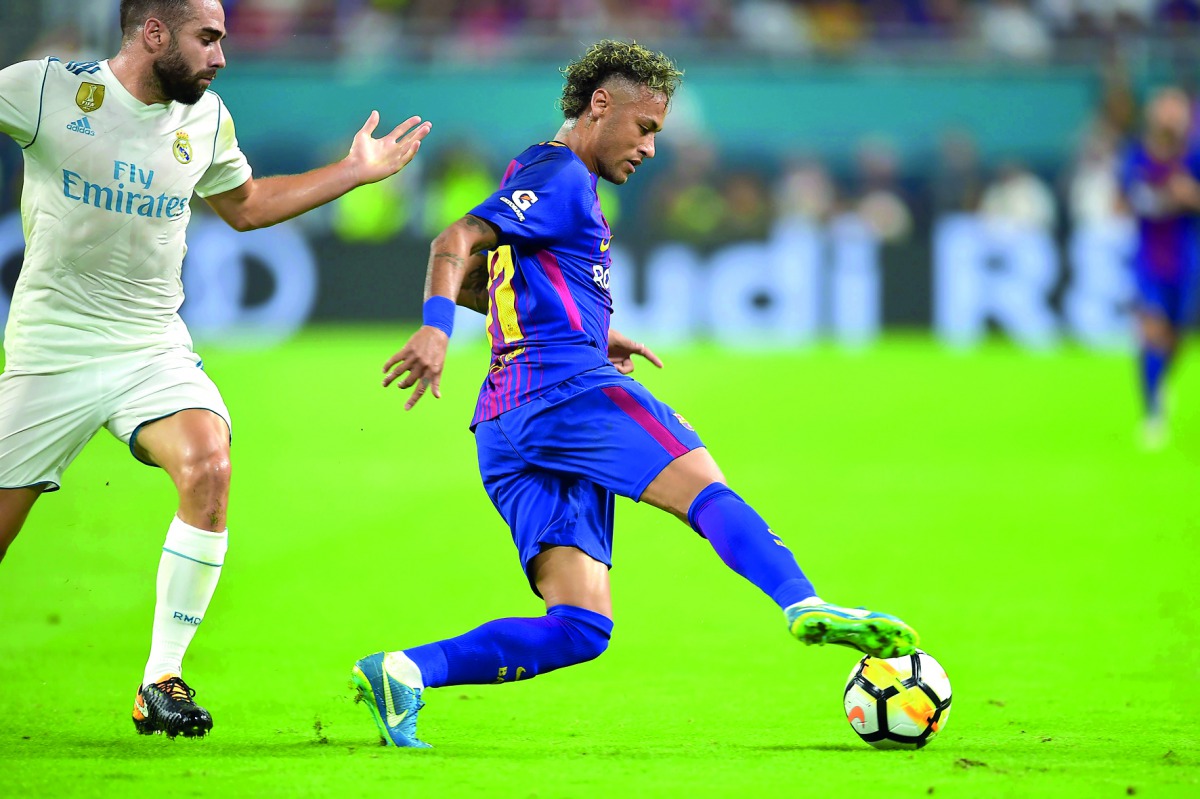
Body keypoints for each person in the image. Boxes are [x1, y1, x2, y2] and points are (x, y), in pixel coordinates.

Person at [352, 39, 918, 749]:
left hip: (504, 421)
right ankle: (801, 600)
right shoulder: (559, 175)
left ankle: (404, 670)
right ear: (600, 105)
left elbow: (487, 281)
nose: (651, 148)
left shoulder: (534, 171)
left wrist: (594, 334)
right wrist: (434, 330)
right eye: (647, 128)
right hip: (561, 393)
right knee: (701, 482)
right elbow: (455, 236)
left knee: (581, 625)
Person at [0, 0, 430, 739]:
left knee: (209, 464)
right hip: (51, 350)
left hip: (150, 347)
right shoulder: (46, 90)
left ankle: (159, 680)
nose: (221, 55)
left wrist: (354, 173)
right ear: (155, 32)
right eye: (209, 38)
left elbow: (248, 204)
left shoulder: (205, 119)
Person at [1116, 87, 1200, 448]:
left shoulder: (1194, 158)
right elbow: (1122, 201)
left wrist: (1191, 197)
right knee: (1152, 331)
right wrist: (1164, 198)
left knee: (1176, 336)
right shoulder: (1135, 156)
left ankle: (1160, 382)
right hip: (1149, 257)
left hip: (1187, 258)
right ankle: (1153, 415)